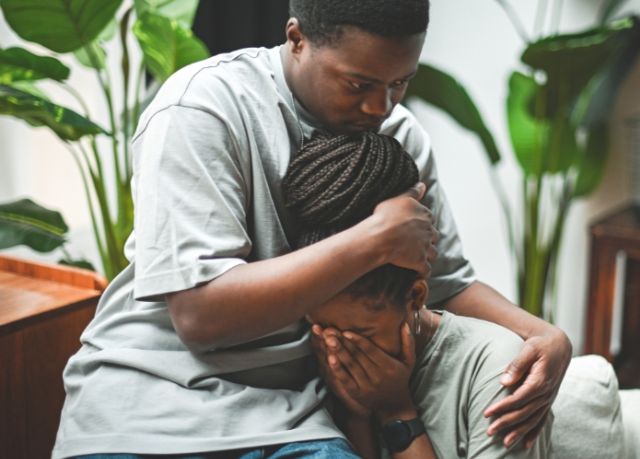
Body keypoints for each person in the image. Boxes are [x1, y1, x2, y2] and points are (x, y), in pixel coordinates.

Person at [53, 0, 571, 457]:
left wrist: (542, 332)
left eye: (399, 83)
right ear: (296, 38)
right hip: (147, 406)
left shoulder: (401, 138)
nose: (381, 107)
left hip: (293, 421)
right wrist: (375, 240)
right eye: (359, 84)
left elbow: (444, 282)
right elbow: (199, 316)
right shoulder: (204, 107)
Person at [283, 131, 553, 458]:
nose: (338, 349)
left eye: (360, 334)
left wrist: (396, 413)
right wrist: (355, 415)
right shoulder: (312, 368)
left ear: (415, 297)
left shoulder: (498, 369)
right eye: (322, 330)